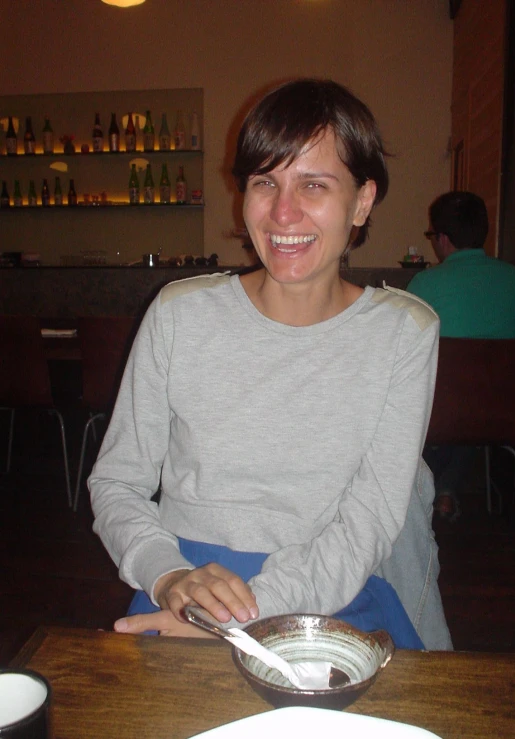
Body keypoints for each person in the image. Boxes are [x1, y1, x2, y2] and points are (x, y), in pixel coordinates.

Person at [90, 78, 452, 650]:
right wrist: (166, 573)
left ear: (361, 201)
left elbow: (370, 521)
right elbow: (116, 481)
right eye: (265, 182)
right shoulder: (179, 314)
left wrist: (242, 614)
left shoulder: (403, 332)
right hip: (183, 588)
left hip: (324, 592)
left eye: (313, 184)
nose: (283, 212)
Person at [408, 191, 515, 520]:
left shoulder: (424, 284)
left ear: (443, 239)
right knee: (471, 401)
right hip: (509, 416)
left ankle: (433, 489)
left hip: (444, 417)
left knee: (433, 401)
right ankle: (447, 490)